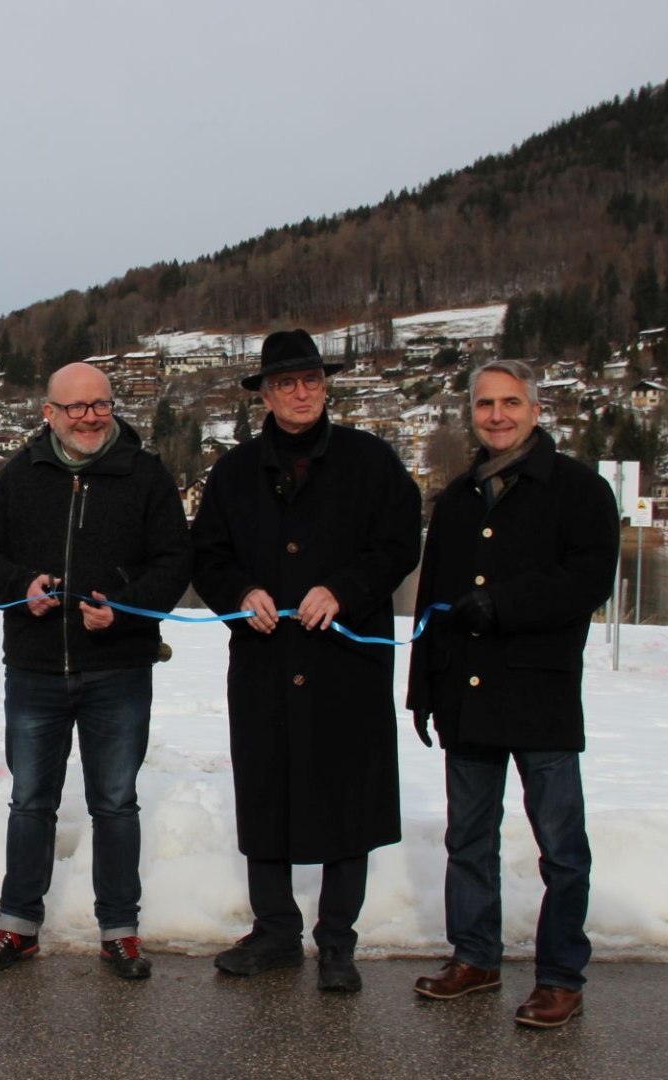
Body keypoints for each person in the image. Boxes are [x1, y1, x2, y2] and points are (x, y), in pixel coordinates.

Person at [190, 328, 422, 993]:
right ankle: (275, 931)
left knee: (348, 795)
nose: (301, 393)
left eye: (312, 380)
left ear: (326, 387)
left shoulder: (371, 461)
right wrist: (241, 593)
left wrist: (345, 589)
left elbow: (399, 543)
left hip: (345, 660)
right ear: (264, 395)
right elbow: (207, 555)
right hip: (264, 658)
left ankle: (337, 940)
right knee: (267, 791)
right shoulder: (233, 472)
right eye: (286, 383)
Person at [407, 358, 619, 1029]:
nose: (496, 415)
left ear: (535, 409)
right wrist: (421, 688)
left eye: (510, 403)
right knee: (469, 840)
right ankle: (475, 957)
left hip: (539, 696)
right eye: (484, 404)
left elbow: (589, 580)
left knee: (561, 848)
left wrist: (503, 604)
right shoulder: (458, 498)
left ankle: (560, 976)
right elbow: (432, 601)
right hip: (466, 696)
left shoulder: (580, 490)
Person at [0, 361, 192, 980]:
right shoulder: (20, 474)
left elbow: (175, 562)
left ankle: (120, 931)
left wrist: (125, 609)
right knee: (29, 802)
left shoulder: (145, 475)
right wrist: (21, 587)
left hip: (118, 668)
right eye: (75, 407)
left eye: (100, 405)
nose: (89, 417)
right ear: (50, 414)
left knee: (115, 803)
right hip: (35, 667)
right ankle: (18, 927)